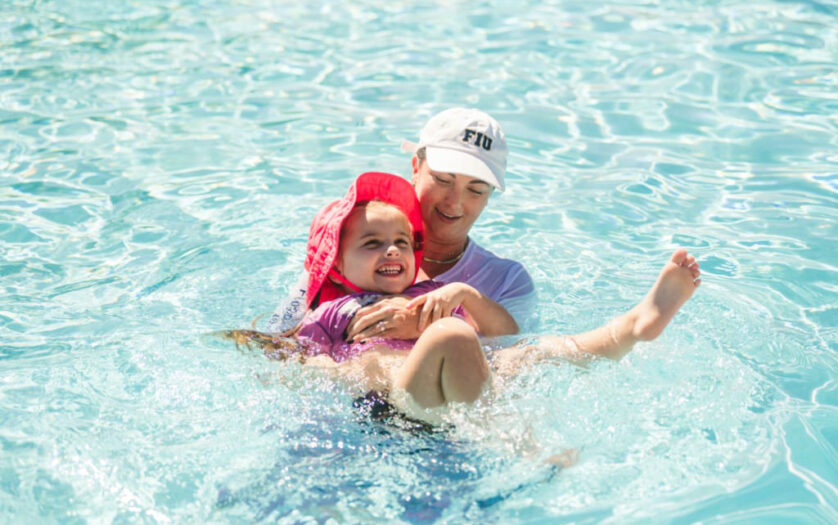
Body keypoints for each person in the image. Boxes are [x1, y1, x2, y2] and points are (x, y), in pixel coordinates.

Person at [232, 172, 702, 423]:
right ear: (337, 265)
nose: (392, 250)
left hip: (461, 381)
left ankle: (634, 326)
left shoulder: (436, 292)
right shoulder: (334, 308)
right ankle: (502, 436)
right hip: (396, 399)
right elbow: (295, 361)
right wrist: (344, 370)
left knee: (541, 352)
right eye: (371, 245)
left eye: (401, 242)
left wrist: (463, 294)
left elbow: (506, 332)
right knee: (454, 335)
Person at [266, 108, 536, 339]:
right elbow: (278, 338)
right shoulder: (349, 249)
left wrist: (425, 325)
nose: (454, 201)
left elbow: (512, 365)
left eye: (476, 190)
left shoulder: (507, 280)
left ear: (489, 196)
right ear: (415, 169)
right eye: (443, 180)